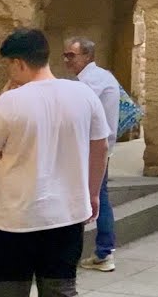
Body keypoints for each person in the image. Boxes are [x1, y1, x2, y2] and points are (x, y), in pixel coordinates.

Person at [0, 28, 109, 297]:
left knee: (6, 291)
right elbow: (100, 146)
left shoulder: (11, 101)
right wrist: (92, 193)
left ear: (18, 63)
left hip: (16, 219)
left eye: (9, 65)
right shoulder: (84, 94)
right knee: (60, 290)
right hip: (67, 215)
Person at [61, 38, 121, 273]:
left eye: (71, 56)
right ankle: (101, 251)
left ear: (87, 56)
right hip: (96, 146)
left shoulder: (92, 81)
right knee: (97, 195)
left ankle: (104, 252)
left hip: (92, 148)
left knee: (97, 196)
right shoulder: (100, 77)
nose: (67, 60)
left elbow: (76, 109)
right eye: (65, 55)